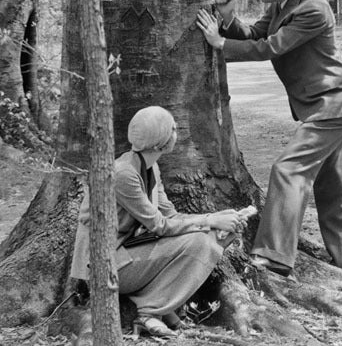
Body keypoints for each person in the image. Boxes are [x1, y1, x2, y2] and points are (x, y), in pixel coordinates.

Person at [195, 0, 342, 277]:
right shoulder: (280, 4)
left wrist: (219, 44)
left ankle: (273, 257)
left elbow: (271, 46)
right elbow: (256, 33)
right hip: (319, 104)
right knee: (336, 188)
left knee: (288, 170)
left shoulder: (312, 9)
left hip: (333, 104)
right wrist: (228, 21)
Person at [70, 106, 246, 338]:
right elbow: (160, 226)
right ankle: (151, 311)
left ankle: (161, 306)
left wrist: (220, 221)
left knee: (215, 235)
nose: (176, 133)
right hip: (103, 266)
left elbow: (170, 217)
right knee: (202, 243)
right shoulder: (124, 174)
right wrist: (210, 219)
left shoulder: (150, 166)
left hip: (125, 253)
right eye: (172, 129)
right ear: (160, 142)